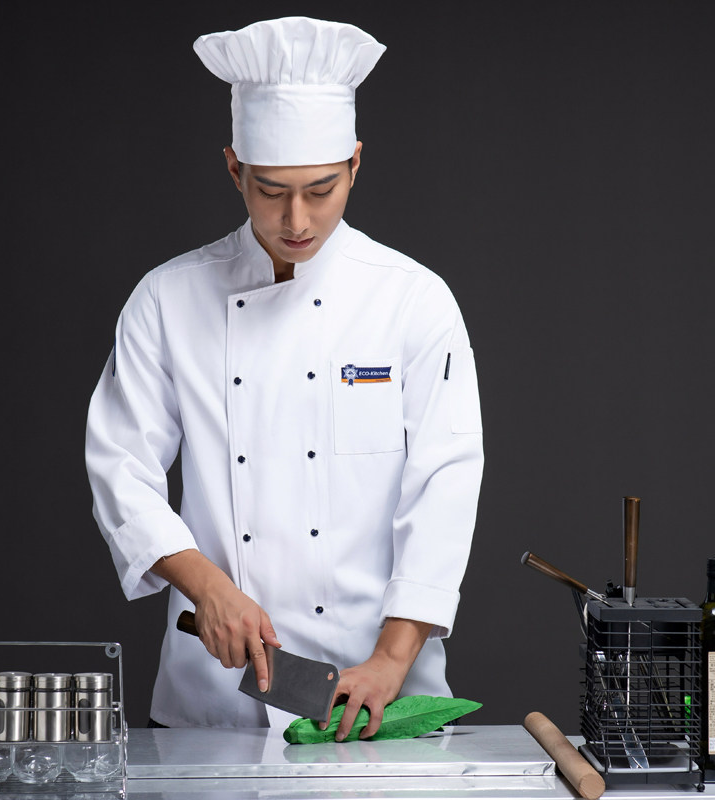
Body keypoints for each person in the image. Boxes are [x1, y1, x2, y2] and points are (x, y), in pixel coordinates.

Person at [85, 16, 483, 741]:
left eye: (321, 190)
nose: (297, 219)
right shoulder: (168, 299)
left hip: (380, 692)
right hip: (216, 696)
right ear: (233, 168)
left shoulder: (413, 300)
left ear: (355, 164)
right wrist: (205, 585)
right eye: (270, 191)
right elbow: (120, 467)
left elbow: (445, 486)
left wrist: (392, 659)